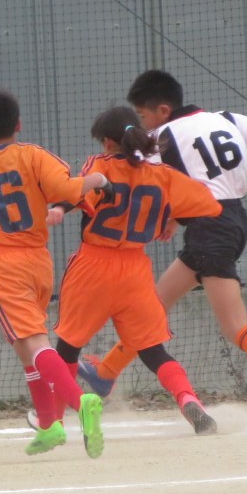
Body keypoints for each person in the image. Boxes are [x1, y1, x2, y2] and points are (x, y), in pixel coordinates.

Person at [77, 70, 247, 426]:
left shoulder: (161, 138)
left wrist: (164, 218)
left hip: (210, 227)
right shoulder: (228, 119)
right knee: (153, 307)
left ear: (163, 110)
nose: (140, 125)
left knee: (234, 326)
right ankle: (106, 372)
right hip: (232, 220)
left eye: (142, 116)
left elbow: (153, 183)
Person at [31, 106, 224, 450]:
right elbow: (208, 206)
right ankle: (188, 400)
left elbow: (79, 192)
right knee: (153, 350)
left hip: (93, 266)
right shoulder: (161, 175)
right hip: (135, 269)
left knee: (68, 348)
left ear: (107, 142)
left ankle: (56, 422)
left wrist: (59, 207)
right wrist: (169, 217)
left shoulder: (101, 166)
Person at [0, 89, 111, 457]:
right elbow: (67, 189)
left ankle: (79, 401)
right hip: (39, 259)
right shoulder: (34, 155)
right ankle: (48, 425)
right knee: (25, 346)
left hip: (2, 262)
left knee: (35, 343)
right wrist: (97, 180)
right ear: (18, 124)